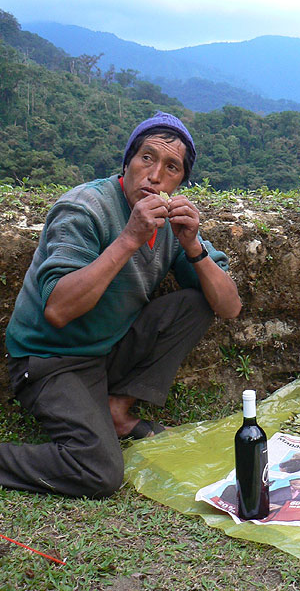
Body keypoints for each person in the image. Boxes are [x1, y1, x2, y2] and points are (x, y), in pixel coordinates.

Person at [1, 111, 242, 498]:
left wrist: (194, 247)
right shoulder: (84, 208)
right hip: (50, 359)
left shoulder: (169, 224)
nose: (155, 175)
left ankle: (116, 410)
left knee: (197, 301)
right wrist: (130, 237)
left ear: (180, 181)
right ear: (127, 161)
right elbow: (58, 310)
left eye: (171, 167)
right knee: (99, 471)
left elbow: (229, 307)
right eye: (146, 158)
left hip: (106, 351)